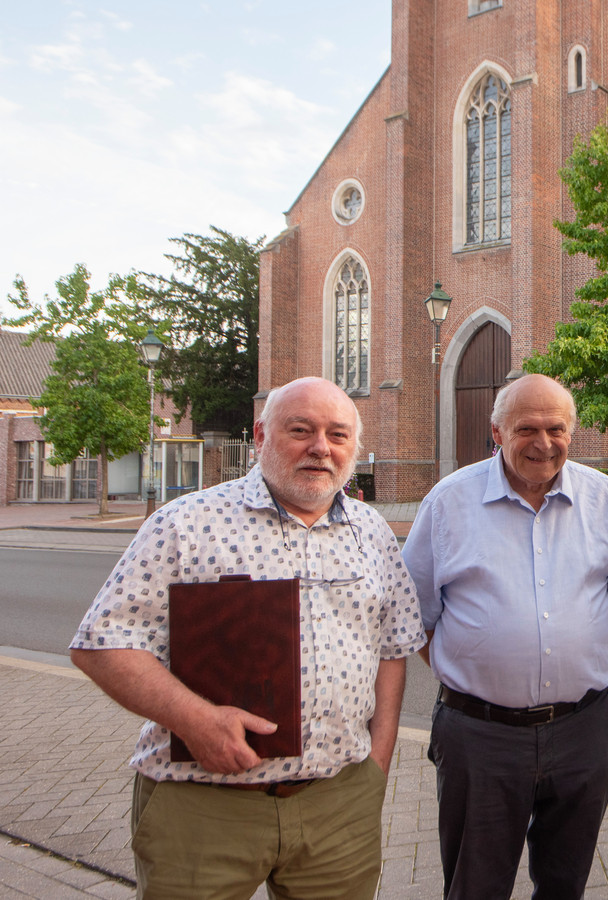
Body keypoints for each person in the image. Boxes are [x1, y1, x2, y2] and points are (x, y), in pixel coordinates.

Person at [70, 376, 425, 900]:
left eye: (338, 434)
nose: (320, 447)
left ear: (354, 446)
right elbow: (102, 642)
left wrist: (378, 761)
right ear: (260, 435)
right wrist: (195, 721)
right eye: (300, 430)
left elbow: (394, 646)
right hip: (204, 807)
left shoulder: (371, 532)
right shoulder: (187, 523)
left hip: (338, 806)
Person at [403, 373, 608, 900]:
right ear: (496, 432)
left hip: (583, 729)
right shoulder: (447, 504)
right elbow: (414, 618)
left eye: (556, 428)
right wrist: (480, 669)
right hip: (479, 736)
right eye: (526, 429)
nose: (543, 443)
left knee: (566, 883)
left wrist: (567, 653)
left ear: (572, 431)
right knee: (476, 885)